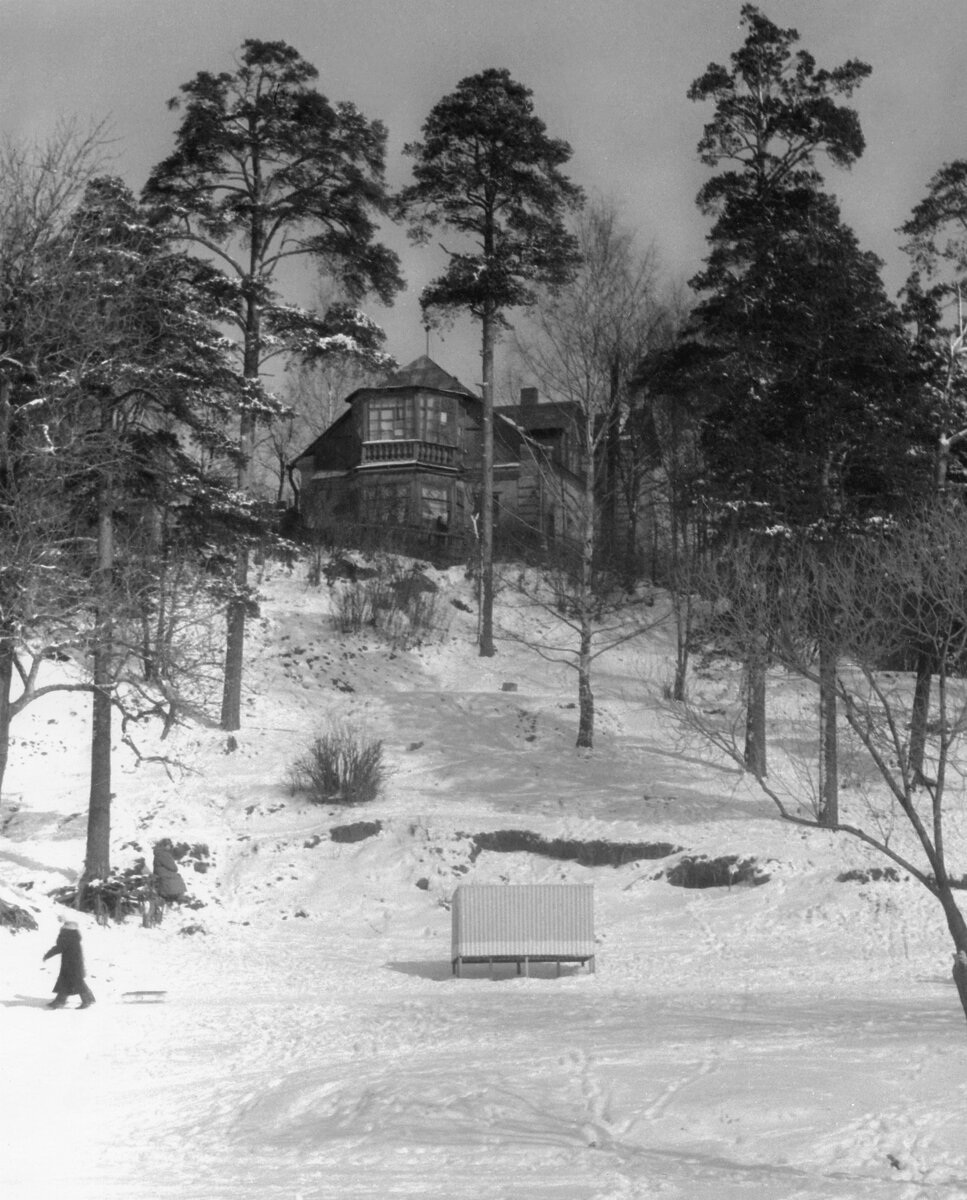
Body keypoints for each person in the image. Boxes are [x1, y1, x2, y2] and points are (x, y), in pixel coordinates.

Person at [43, 918, 95, 1009]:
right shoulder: (73, 935)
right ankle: (61, 1000)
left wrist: (47, 955)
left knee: (76, 982)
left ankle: (86, 1000)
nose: (62, 927)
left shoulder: (67, 936)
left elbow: (59, 948)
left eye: (64, 926)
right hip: (74, 962)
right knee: (67, 981)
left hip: (71, 963)